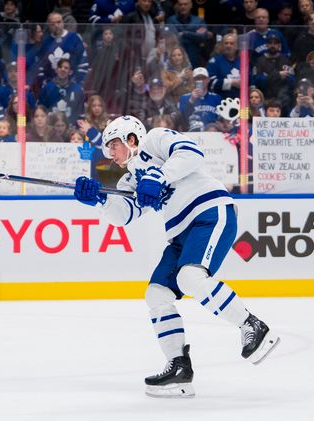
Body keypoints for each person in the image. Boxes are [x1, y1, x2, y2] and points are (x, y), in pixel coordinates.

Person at [72, 116, 279, 398]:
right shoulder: (130, 179)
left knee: (190, 277)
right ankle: (179, 367)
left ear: (131, 138)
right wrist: (100, 200)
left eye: (114, 145)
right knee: (156, 294)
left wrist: (159, 176)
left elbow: (192, 153)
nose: (111, 153)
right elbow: (125, 215)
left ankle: (253, 325)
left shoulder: (155, 140)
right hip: (181, 232)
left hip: (210, 211)